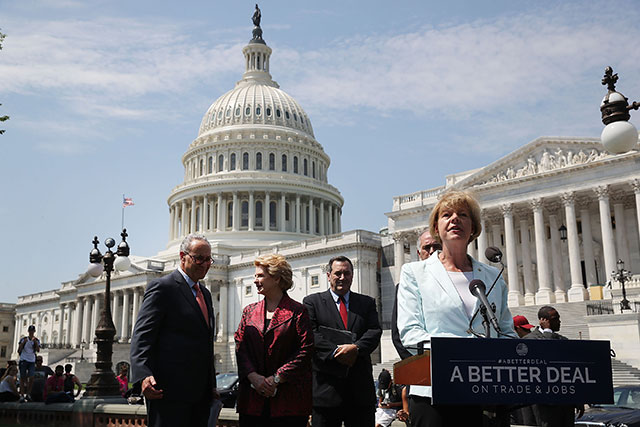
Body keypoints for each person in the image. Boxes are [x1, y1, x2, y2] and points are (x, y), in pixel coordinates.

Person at [397, 190, 515, 427]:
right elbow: (410, 333)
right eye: (446, 214)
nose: (455, 219)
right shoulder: (415, 273)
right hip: (432, 392)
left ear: (473, 228)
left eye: (463, 214)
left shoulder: (493, 277)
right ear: (436, 227)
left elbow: (506, 332)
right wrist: (457, 356)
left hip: (483, 393)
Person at [130, 233, 218, 427]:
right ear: (182, 256)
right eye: (198, 258)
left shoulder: (205, 294)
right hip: (168, 391)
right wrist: (143, 375)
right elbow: (142, 336)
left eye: (208, 259)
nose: (204, 264)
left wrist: (211, 384)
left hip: (200, 393)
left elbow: (205, 342)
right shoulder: (163, 287)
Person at [234, 254, 314, 427]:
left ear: (277, 278)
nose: (255, 280)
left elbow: (305, 350)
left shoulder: (298, 311)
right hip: (252, 400)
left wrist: (276, 379)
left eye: (260, 275)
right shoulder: (249, 311)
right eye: (255, 275)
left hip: (288, 401)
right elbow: (240, 347)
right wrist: (253, 377)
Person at [303, 255, 382, 427]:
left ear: (352, 275)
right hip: (326, 391)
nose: (342, 278)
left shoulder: (366, 303)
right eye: (338, 273)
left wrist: (356, 348)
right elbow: (311, 334)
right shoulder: (312, 302)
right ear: (328, 275)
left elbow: (374, 331)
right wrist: (336, 353)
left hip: (359, 392)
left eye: (347, 273)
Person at [392, 230, 441, 360]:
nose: (432, 251)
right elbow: (397, 335)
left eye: (437, 247)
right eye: (427, 247)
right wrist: (417, 362)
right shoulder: (405, 285)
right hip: (421, 361)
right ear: (419, 254)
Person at [525, 306, 577, 427]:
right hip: (545, 403)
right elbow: (547, 354)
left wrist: (577, 400)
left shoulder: (562, 339)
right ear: (543, 320)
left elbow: (571, 369)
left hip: (565, 401)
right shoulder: (529, 340)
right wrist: (547, 331)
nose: (559, 322)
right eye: (555, 319)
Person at [17, 325, 40, 400]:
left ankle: (28, 394)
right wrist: (23, 343)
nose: (31, 332)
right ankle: (22, 395)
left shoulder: (36, 340)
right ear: (28, 331)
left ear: (34, 332)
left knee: (32, 378)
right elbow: (19, 350)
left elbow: (38, 350)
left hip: (32, 361)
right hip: (23, 360)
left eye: (32, 331)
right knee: (22, 378)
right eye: (30, 331)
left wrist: (35, 342)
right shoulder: (23, 339)